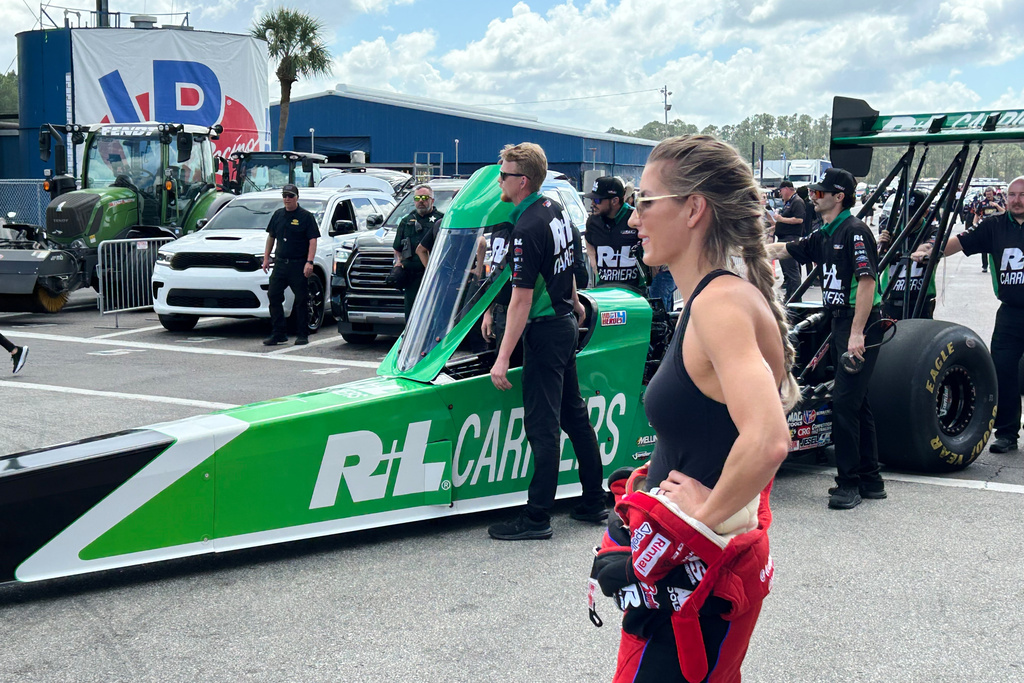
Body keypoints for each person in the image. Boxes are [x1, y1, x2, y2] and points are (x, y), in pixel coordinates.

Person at [600, 135, 794, 682]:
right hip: (688, 581)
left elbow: (768, 438)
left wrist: (688, 531)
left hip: (696, 584)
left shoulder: (721, 304)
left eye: (645, 202)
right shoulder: (709, 299)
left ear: (693, 209)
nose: (634, 219)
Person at [487, 142, 607, 541]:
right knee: (574, 417)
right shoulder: (553, 208)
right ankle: (593, 502)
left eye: (503, 175)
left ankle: (537, 517)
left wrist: (502, 357)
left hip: (544, 330)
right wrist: (573, 302)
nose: (498, 180)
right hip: (562, 324)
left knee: (543, 427)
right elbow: (569, 263)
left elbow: (521, 298)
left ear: (522, 181)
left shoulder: (525, 227)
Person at [767, 167, 886, 509]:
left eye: (821, 193)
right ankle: (871, 479)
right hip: (840, 323)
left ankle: (848, 483)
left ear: (839, 197)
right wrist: (750, 248)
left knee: (845, 403)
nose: (814, 197)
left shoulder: (855, 231)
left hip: (858, 323)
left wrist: (857, 333)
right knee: (858, 402)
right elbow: (789, 250)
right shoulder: (825, 232)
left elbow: (867, 282)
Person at [912, 176, 1024, 453]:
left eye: (1022, 195)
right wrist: (931, 251)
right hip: (1011, 314)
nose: (1017, 200)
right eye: (1012, 195)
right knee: (1003, 369)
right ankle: (1007, 432)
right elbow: (961, 242)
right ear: (1005, 198)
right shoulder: (994, 226)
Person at [262, 183, 319, 346]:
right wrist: (267, 258)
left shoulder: (306, 216)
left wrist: (309, 262)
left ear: (297, 198)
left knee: (301, 299)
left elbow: (312, 240)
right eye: (285, 196)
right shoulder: (278, 215)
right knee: (273, 295)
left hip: (298, 263)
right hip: (280, 263)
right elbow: (271, 237)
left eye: (290, 196)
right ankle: (279, 333)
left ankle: (302, 334)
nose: (287, 199)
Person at [395, 185, 443, 321]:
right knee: (411, 316)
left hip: (433, 277)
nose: (420, 201)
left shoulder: (441, 221)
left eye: (424, 198)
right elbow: (397, 248)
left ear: (432, 200)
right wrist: (398, 263)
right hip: (411, 278)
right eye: (417, 198)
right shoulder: (406, 221)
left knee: (433, 315)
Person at [584, 176, 641, 288]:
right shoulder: (593, 221)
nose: (592, 204)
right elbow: (588, 240)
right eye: (591, 199)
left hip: (634, 294)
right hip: (604, 292)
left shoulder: (636, 218)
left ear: (615, 201)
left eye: (597, 200)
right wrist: (594, 264)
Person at [772, 180, 807, 303]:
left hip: (790, 239)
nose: (780, 193)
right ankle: (790, 297)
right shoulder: (789, 202)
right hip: (784, 237)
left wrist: (781, 219)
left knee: (792, 271)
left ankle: (796, 299)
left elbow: (799, 220)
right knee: (787, 271)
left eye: (781, 191)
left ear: (786, 189)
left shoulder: (797, 202)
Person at [972, 186, 1006, 272]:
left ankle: (996, 265)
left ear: (993, 194)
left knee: (997, 248)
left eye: (990, 194)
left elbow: (1004, 212)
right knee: (984, 248)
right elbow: (977, 215)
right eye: (987, 195)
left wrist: (997, 206)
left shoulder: (998, 202)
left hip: (997, 228)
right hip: (985, 228)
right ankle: (984, 266)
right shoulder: (982, 203)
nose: (988, 196)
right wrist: (975, 225)